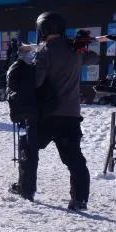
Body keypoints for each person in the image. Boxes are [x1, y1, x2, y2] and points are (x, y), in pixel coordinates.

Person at [10, 12, 96, 211]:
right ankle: (79, 199)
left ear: (43, 29)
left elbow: (38, 81)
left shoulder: (45, 51)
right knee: (74, 158)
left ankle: (26, 188)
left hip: (47, 114)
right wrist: (82, 44)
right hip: (72, 114)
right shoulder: (75, 49)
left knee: (28, 147)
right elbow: (93, 58)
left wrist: (30, 66)